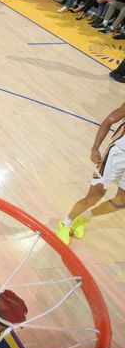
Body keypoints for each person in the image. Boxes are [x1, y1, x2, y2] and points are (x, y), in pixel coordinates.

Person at [56, 102, 125, 244]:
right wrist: (95, 148)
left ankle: (84, 217)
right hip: (117, 154)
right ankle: (66, 223)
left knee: (122, 201)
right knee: (94, 196)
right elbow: (108, 121)